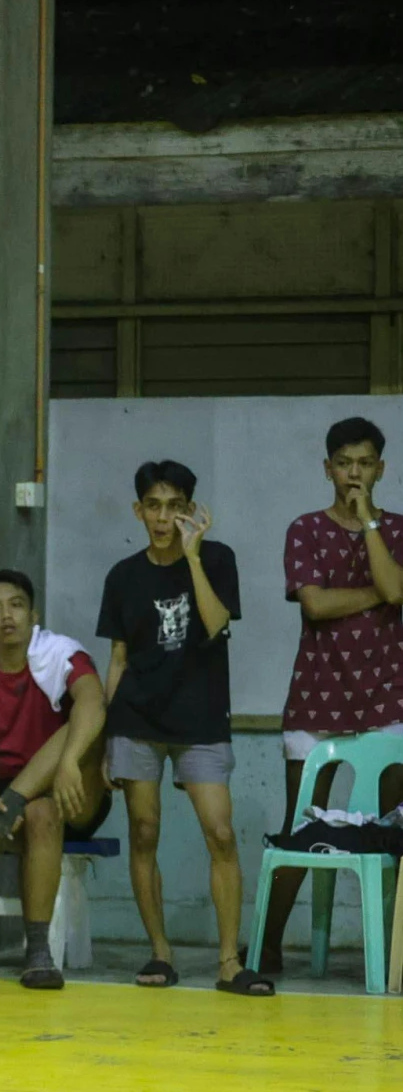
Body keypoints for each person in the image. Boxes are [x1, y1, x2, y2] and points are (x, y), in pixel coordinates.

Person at [97, 460, 270, 996]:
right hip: (136, 718)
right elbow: (118, 657)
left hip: (200, 718)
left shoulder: (217, 559)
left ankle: (227, 962)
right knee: (144, 832)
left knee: (220, 832)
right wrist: (106, 738)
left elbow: (216, 625)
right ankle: (160, 952)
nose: (163, 516)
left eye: (175, 506)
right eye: (154, 505)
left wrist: (192, 559)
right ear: (138, 510)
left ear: (191, 511)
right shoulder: (123, 576)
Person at [259, 416, 403, 974]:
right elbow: (315, 605)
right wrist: (378, 596)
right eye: (345, 464)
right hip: (317, 698)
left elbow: (397, 588)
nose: (354, 473)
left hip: (389, 697)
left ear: (381, 469)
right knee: (300, 830)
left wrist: (369, 522)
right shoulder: (305, 529)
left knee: (394, 826)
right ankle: (267, 943)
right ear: (327, 469)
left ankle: (391, 954)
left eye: (365, 464)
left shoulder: (397, 529)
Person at [0, 568, 111, 991]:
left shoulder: (64, 655)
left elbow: (94, 702)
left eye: (16, 605)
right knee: (38, 811)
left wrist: (71, 760)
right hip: (8, 804)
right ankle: (38, 951)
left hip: (75, 789)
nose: (7, 616)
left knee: (72, 727)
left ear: (33, 615)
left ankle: (18, 801)